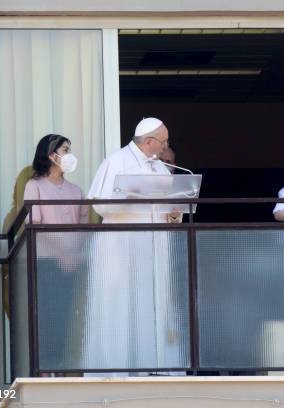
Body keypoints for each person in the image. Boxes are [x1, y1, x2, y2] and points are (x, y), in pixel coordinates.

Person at [84, 117, 186, 375]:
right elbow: (99, 205)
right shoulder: (117, 162)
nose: (166, 147)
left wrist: (175, 213)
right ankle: (117, 370)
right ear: (149, 141)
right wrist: (128, 195)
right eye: (163, 142)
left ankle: (156, 366)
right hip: (121, 246)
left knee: (154, 304)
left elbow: (169, 213)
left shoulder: (161, 169)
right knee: (120, 306)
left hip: (154, 249)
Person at [23, 134, 88, 376]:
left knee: (67, 316)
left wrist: (74, 253)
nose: (69, 154)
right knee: (47, 314)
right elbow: (34, 224)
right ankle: (44, 368)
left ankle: (59, 367)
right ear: (51, 154)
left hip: (72, 263)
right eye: (65, 149)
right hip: (47, 262)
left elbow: (84, 225)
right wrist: (63, 253)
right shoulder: (35, 186)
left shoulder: (76, 190)